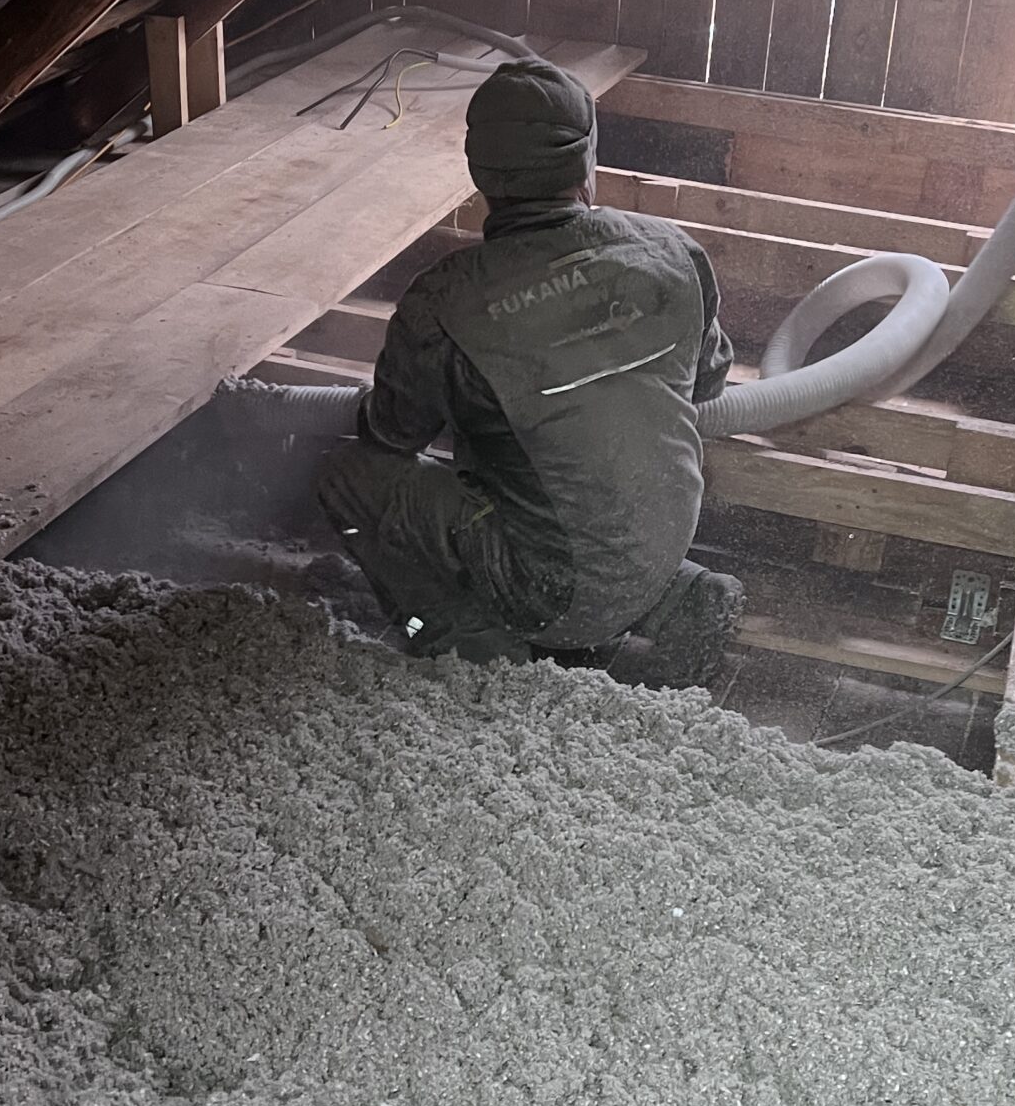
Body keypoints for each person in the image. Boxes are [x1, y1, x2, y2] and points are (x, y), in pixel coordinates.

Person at [318, 56, 744, 683]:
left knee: (348, 477)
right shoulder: (672, 249)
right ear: (586, 163)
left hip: (544, 592)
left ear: (478, 172)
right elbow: (708, 382)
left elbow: (390, 435)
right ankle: (682, 595)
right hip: (660, 549)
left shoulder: (445, 299)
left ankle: (463, 640)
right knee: (583, 475)